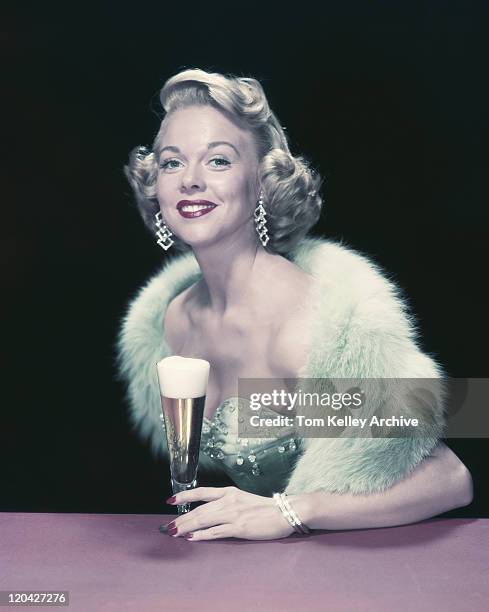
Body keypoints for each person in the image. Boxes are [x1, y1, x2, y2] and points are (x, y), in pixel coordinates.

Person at [115, 68, 473, 541]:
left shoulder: (305, 327)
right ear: (155, 189)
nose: (191, 181)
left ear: (262, 183)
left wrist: (288, 511)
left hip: (356, 570)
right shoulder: (175, 320)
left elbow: (450, 479)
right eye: (171, 163)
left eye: (219, 161)